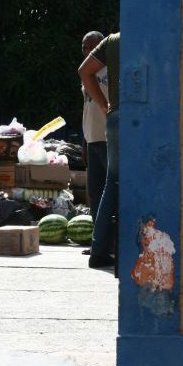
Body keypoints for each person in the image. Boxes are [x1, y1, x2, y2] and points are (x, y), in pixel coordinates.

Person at [78, 33, 120, 269]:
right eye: (83, 47)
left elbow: (83, 70)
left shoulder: (110, 50)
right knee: (100, 189)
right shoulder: (94, 69)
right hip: (95, 136)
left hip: (109, 132)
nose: (86, 51)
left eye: (89, 47)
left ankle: (103, 245)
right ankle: (101, 245)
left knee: (111, 186)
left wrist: (107, 109)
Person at [79, 31, 109, 224]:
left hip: (108, 139)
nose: (89, 51)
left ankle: (112, 241)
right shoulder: (86, 73)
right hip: (92, 140)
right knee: (95, 193)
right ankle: (98, 242)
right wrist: (84, 142)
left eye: (93, 46)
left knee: (111, 192)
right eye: (85, 47)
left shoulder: (111, 70)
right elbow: (87, 109)